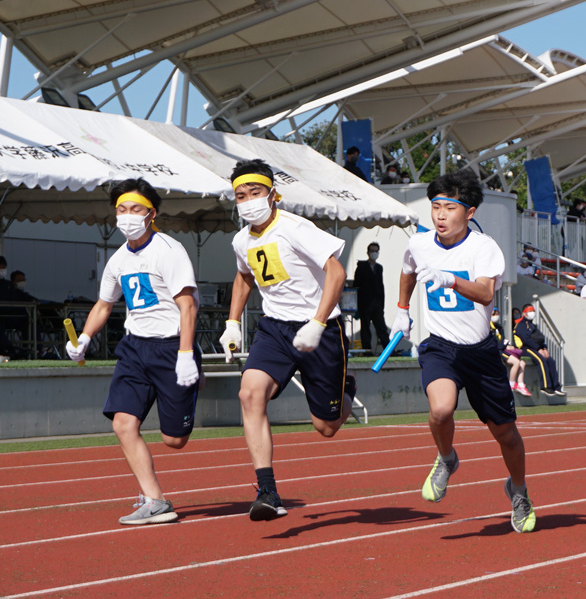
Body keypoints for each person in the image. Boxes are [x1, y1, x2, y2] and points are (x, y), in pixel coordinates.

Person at [388, 168, 536, 533]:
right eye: (435, 207)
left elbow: (485, 293)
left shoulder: (484, 248)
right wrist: (402, 311)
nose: (440, 216)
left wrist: (450, 279)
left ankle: (518, 491)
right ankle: (447, 458)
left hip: (481, 351)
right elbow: (407, 270)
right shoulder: (420, 243)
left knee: (506, 434)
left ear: (469, 212)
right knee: (441, 409)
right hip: (441, 347)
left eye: (449, 208)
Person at [219, 159, 356, 521]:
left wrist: (318, 322)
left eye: (255, 192)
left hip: (320, 330)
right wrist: (232, 323)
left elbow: (336, 272)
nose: (248, 201)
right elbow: (244, 276)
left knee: (326, 427)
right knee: (249, 394)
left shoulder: (296, 228)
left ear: (273, 194)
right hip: (274, 330)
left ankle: (346, 388)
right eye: (241, 196)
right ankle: (267, 491)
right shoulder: (241, 240)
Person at [66, 178, 201, 525]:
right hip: (135, 349)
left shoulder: (169, 251)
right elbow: (103, 304)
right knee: (123, 424)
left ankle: (185, 395)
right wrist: (84, 338)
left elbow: (188, 306)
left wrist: (186, 354)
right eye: (121, 210)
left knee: (175, 439)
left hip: (172, 347)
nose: (127, 216)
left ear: (151, 214)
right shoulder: (118, 259)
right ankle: (155, 501)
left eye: (135, 209)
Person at [515, 304, 565, 396]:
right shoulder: (521, 325)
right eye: (530, 311)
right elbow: (526, 340)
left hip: (535, 347)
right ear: (524, 313)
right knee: (541, 360)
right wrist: (538, 349)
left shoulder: (533, 325)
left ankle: (556, 387)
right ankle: (545, 386)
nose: (532, 313)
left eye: (533, 311)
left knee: (550, 361)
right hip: (525, 348)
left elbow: (539, 338)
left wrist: (544, 348)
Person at [353, 242, 388, 355]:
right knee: (365, 328)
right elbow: (356, 285)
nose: (374, 253)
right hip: (365, 303)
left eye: (376, 251)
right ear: (368, 253)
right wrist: (358, 303)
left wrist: (382, 304)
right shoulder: (362, 266)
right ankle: (367, 351)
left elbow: (381, 286)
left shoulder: (379, 268)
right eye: (372, 251)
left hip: (377, 303)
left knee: (381, 328)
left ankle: (388, 350)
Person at [490, 309, 531, 397]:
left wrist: (506, 345)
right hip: (497, 351)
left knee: (522, 363)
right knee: (516, 362)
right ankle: (511, 383)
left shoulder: (499, 327)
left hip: (502, 349)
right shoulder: (488, 328)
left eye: (497, 314)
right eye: (493, 314)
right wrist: (504, 346)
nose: (496, 316)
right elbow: (494, 343)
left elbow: (502, 340)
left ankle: (521, 385)